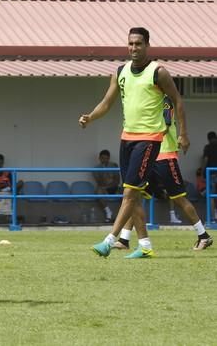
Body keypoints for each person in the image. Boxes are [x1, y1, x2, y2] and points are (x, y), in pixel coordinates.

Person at [79, 27, 189, 259]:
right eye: (130, 44)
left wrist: (183, 133)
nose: (133, 48)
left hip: (149, 140)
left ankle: (110, 240)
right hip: (126, 139)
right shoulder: (120, 71)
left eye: (138, 44)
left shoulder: (158, 72)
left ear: (147, 45)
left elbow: (177, 100)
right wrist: (90, 117)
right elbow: (107, 102)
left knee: (130, 192)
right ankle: (146, 245)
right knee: (134, 194)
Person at [113, 97, 212, 250]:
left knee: (179, 198)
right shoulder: (148, 101)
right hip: (148, 156)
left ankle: (203, 236)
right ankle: (124, 240)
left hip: (164, 155)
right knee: (133, 196)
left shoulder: (165, 101)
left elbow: (164, 126)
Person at [92, 149, 120, 223]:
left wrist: (109, 185)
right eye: (102, 158)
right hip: (103, 188)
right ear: (99, 158)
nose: (104, 160)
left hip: (114, 187)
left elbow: (117, 181)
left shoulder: (114, 165)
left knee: (126, 191)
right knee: (98, 192)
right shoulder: (96, 168)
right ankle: (108, 212)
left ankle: (123, 215)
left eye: (106, 158)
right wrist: (104, 171)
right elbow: (99, 182)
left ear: (109, 158)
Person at [201, 131, 217, 220]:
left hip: (211, 173)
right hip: (214, 172)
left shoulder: (208, 147)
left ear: (208, 139)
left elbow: (205, 160)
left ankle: (213, 217)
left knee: (211, 195)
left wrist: (202, 171)